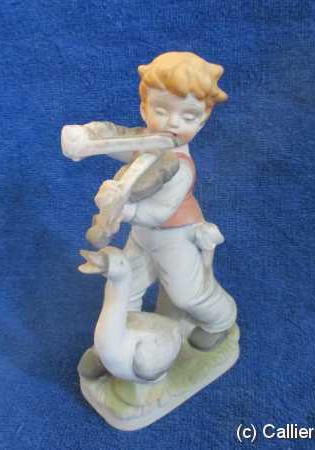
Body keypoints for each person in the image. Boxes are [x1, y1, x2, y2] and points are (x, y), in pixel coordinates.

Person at [78, 52, 237, 379]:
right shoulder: (146, 142)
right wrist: (89, 136)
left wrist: (122, 207)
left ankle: (220, 321)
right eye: (161, 110)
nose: (172, 123)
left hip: (175, 237)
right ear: (144, 108)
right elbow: (116, 141)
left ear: (203, 121)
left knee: (186, 293)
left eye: (188, 116)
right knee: (124, 287)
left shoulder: (181, 167)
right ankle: (114, 343)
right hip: (142, 237)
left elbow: (158, 212)